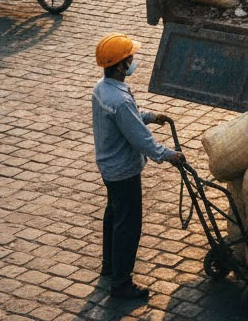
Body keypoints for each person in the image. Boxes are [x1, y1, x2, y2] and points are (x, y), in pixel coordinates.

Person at [92, 33, 183, 301]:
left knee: (114, 216)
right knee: (128, 226)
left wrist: (149, 116)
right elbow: (139, 138)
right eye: (129, 58)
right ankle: (121, 283)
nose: (133, 61)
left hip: (109, 167)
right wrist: (168, 155)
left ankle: (110, 267)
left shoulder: (103, 88)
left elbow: (129, 119)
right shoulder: (119, 100)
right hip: (123, 171)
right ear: (120, 65)